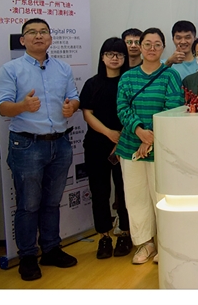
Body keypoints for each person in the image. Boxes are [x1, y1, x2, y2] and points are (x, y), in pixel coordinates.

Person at [0, 18, 80, 281]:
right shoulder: (11, 69)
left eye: (43, 31)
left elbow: (74, 97)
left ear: (51, 38)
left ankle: (51, 249)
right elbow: (2, 107)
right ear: (23, 40)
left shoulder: (63, 68)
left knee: (52, 202)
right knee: (28, 204)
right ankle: (28, 256)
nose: (38, 36)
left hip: (60, 142)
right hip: (27, 144)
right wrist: (23, 106)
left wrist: (72, 107)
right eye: (32, 32)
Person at [116, 28, 183, 265]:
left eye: (157, 44)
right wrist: (140, 132)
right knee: (136, 198)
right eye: (147, 44)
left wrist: (151, 138)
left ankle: (165, 245)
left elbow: (173, 107)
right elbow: (122, 107)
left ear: (163, 48)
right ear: (140, 47)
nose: (152, 48)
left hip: (160, 147)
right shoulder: (128, 77)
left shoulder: (170, 76)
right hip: (131, 147)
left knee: (161, 198)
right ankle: (145, 244)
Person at [80, 37, 133, 260]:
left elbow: (133, 113)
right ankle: (104, 236)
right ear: (102, 57)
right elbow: (87, 113)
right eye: (110, 54)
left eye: (119, 54)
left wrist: (119, 140)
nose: (114, 58)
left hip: (125, 145)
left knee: (124, 192)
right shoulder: (92, 84)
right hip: (96, 145)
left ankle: (126, 234)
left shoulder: (129, 82)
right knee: (99, 192)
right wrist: (109, 133)